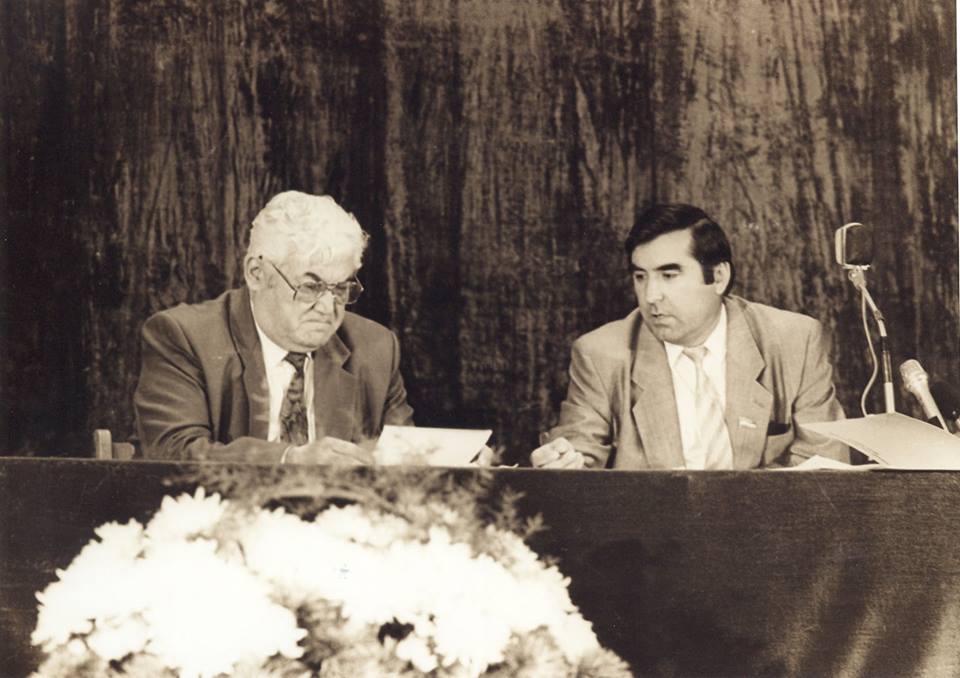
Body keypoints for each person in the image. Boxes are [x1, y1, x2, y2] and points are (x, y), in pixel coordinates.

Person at [532, 203, 849, 470]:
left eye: (669, 275)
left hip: (764, 522)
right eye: (640, 277)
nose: (651, 296)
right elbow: (579, 450)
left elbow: (824, 464)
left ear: (719, 277)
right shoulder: (600, 354)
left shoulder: (794, 340)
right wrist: (565, 461)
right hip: (651, 524)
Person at [135, 191, 414, 463]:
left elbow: (410, 464)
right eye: (310, 287)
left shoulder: (376, 348)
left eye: (341, 288)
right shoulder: (184, 336)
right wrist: (289, 459)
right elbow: (173, 452)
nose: (328, 308)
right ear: (256, 274)